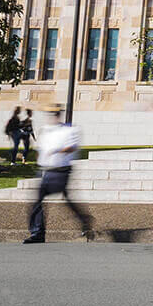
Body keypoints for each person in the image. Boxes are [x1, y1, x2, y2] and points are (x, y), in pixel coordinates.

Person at [23, 105, 94, 245]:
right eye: (50, 114)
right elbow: (41, 148)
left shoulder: (69, 130)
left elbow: (72, 147)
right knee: (61, 201)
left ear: (58, 115)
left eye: (54, 114)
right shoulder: (45, 130)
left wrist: (57, 151)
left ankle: (38, 233)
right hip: (47, 170)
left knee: (39, 200)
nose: (51, 117)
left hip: (61, 170)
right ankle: (84, 221)